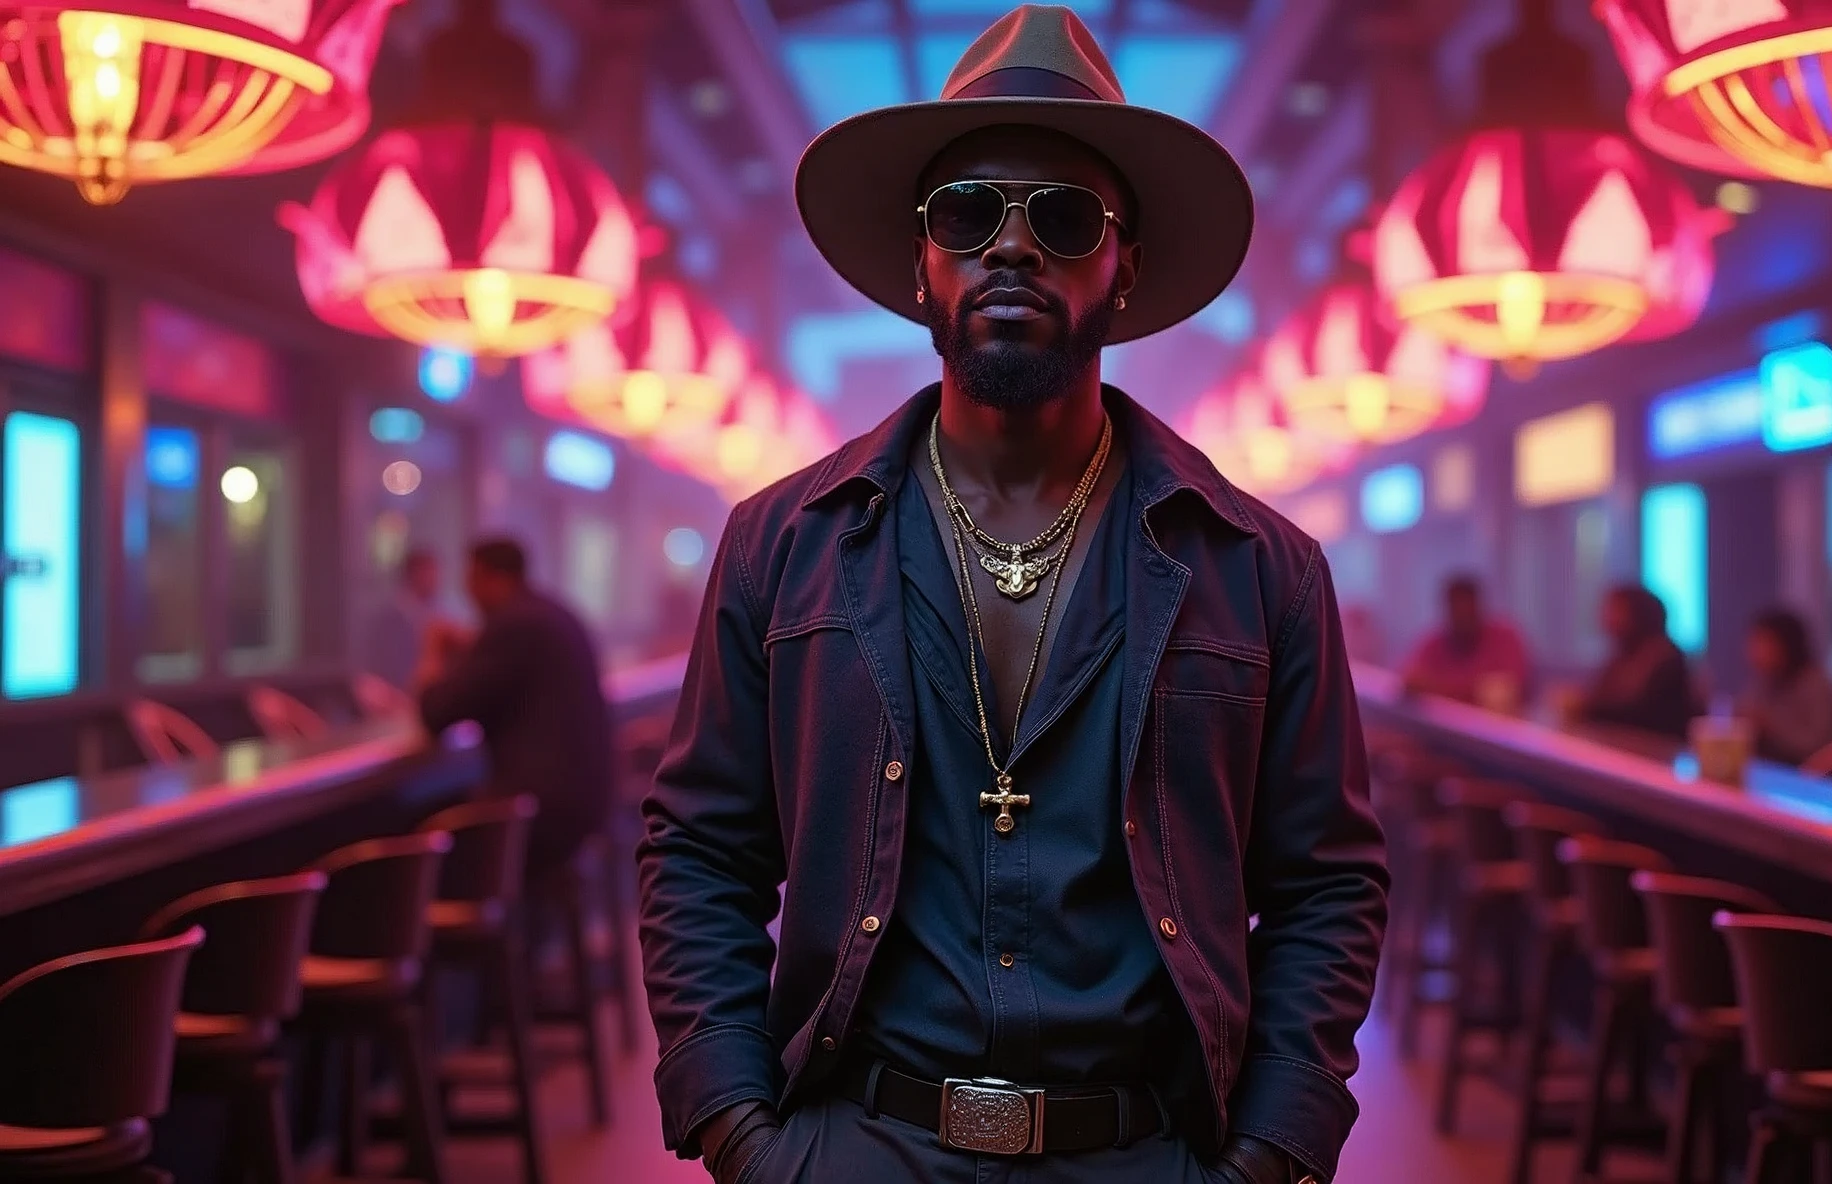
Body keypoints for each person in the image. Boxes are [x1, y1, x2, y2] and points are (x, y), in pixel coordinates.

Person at [638, 9, 1388, 1184]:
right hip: (857, 1145)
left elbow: (1324, 880)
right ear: (919, 260)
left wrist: (1273, 1151)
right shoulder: (779, 544)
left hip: (1153, 1150)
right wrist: (737, 1127)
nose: (1012, 246)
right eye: (967, 212)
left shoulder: (1261, 566)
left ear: (1124, 266)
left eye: (1064, 216)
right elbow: (697, 847)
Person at [417, 537, 616, 884]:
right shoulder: (553, 613)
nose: (468, 594)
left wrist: (433, 651)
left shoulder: (512, 626)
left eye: (471, 581)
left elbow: (436, 712)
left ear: (490, 578)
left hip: (540, 815)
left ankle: (473, 935)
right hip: (584, 804)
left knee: (424, 833)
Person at [1578, 584, 1698, 740]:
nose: (1605, 617)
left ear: (1637, 613)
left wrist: (1586, 708)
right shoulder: (1621, 657)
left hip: (1658, 753)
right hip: (1624, 747)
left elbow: (1647, 716)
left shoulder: (1665, 658)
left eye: (1615, 610)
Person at [1401, 574, 1531, 706]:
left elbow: (1511, 686)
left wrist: (1439, 689)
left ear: (1478, 606)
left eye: (1467, 607)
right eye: (1456, 608)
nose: (1462, 614)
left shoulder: (1505, 638)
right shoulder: (1434, 643)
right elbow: (1408, 680)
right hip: (1444, 724)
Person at [1739, 608, 1832, 765]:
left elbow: (1819, 746)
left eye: (1764, 643)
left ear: (1786, 645)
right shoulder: (1764, 681)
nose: (1755, 652)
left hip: (1808, 778)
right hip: (1772, 771)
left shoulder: (1815, 685)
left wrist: (1769, 724)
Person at [362, 548, 445, 690]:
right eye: (429, 572)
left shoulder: (439, 614)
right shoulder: (390, 618)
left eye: (435, 572)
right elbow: (381, 663)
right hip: (396, 693)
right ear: (413, 574)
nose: (435, 579)